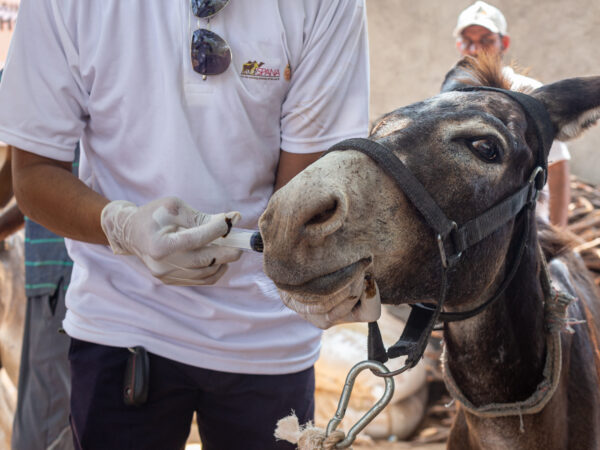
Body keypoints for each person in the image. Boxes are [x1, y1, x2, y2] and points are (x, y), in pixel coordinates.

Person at [0, 1, 369, 449]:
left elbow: (304, 193)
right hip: (123, 322)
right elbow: (34, 173)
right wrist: (122, 228)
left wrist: (323, 270)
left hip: (267, 336)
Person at [0, 70, 76, 449]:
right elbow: (16, 169)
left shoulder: (54, 70)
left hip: (66, 269)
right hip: (44, 273)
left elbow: (34, 183)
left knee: (50, 422)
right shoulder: (23, 73)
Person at [452, 0, 571, 227]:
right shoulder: (452, 99)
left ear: (503, 43)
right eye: (468, 42)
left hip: (527, 227)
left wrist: (558, 231)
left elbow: (558, 166)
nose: (475, 49)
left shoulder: (528, 92)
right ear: (459, 46)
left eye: (486, 40)